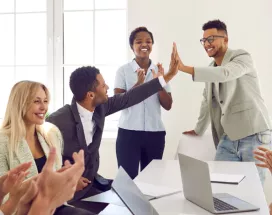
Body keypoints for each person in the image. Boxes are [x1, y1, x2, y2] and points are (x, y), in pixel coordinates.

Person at [46, 43, 179, 212]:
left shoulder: (101, 107)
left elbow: (130, 97)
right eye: (103, 85)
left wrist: (166, 77)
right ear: (90, 95)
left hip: (92, 185)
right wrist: (67, 179)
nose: (108, 87)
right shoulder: (57, 122)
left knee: (137, 202)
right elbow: (44, 163)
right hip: (67, 195)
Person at [178, 19, 271, 183]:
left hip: (254, 134)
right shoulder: (210, 69)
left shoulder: (242, 57)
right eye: (204, 40)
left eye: (211, 39)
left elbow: (226, 73)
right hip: (228, 137)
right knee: (220, 185)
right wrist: (198, 129)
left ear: (225, 39)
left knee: (253, 190)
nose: (207, 43)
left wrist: (184, 68)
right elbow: (207, 102)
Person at [0, 81, 93, 215]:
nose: (44, 107)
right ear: (20, 104)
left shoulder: (52, 133)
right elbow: (3, 196)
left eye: (45, 101)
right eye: (37, 101)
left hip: (54, 207)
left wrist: (68, 180)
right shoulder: (3, 142)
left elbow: (53, 178)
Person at [114, 27, 172, 179]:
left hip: (155, 134)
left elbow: (168, 105)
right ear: (132, 46)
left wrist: (157, 82)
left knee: (152, 181)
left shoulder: (159, 72)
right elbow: (119, 102)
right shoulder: (123, 71)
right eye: (139, 42)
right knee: (127, 181)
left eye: (148, 41)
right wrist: (138, 84)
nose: (144, 45)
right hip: (128, 134)